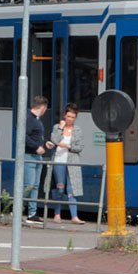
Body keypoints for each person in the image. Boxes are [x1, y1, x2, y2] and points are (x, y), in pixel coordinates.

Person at [49, 103, 85, 224]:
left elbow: (80, 147)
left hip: (73, 163)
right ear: (64, 115)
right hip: (58, 161)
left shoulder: (78, 130)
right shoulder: (57, 127)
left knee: (72, 189)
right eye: (68, 116)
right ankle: (57, 214)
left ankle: (74, 216)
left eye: (73, 117)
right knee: (60, 188)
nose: (70, 119)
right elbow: (54, 140)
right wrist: (60, 128)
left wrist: (69, 146)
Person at [23, 96, 53, 225]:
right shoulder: (30, 119)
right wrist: (36, 147)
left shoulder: (36, 120)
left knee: (34, 186)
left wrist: (45, 144)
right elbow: (23, 136)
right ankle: (16, 209)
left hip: (36, 156)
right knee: (29, 186)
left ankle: (32, 213)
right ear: (42, 107)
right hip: (30, 156)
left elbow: (34, 137)